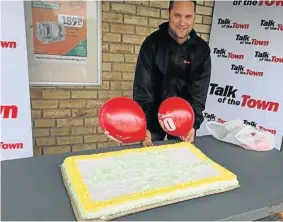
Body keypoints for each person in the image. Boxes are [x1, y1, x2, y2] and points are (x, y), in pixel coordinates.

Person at [133, 0, 212, 147]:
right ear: (168, 14)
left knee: (179, 163)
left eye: (188, 16)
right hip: (153, 120)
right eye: (177, 15)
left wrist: (193, 124)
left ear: (194, 17)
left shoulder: (202, 50)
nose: (182, 22)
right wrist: (145, 124)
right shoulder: (152, 44)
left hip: (183, 121)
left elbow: (199, 92)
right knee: (148, 161)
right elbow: (143, 88)